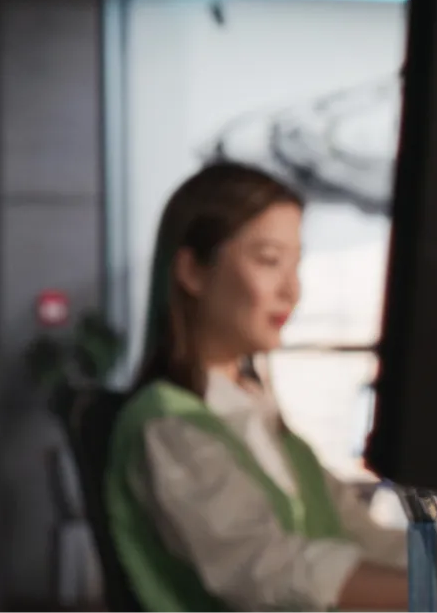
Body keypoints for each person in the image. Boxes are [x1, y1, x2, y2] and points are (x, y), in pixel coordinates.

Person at [105, 162, 411, 612]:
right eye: (269, 261)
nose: (292, 290)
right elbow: (266, 569)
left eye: (296, 264)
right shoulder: (168, 427)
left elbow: (360, 535)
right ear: (192, 271)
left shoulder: (260, 416)